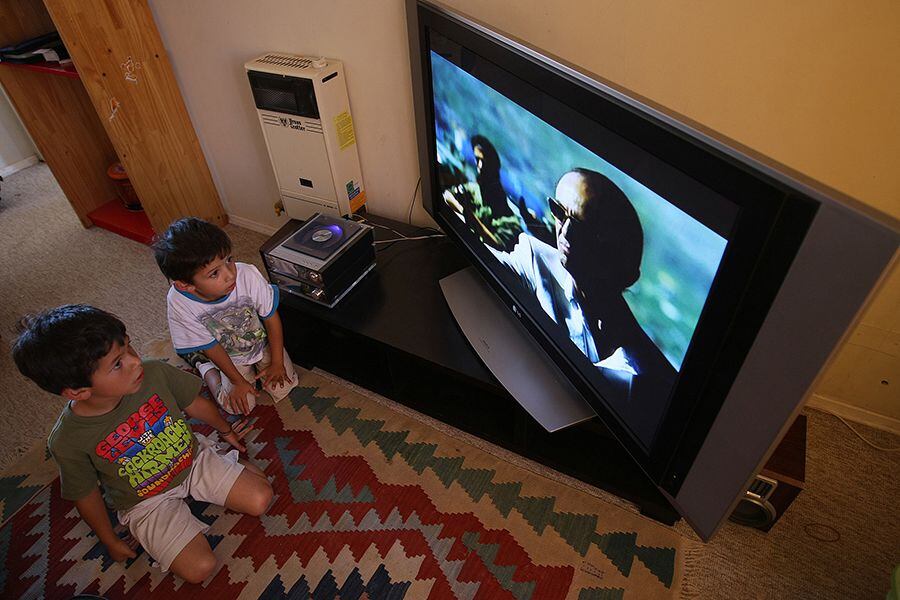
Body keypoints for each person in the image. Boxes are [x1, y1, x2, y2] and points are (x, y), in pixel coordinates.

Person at [11, 304, 273, 583]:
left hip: (191, 460)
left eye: (128, 347)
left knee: (261, 499)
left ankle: (223, 462)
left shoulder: (153, 372)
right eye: (117, 364)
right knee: (199, 569)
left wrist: (225, 430)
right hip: (145, 502)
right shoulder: (67, 441)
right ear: (77, 392)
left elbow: (194, 404)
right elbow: (85, 494)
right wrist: (109, 539)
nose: (135, 361)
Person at [489, 168, 676, 399]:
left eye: (584, 228)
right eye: (559, 212)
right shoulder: (535, 261)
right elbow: (489, 263)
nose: (566, 233)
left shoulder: (647, 376)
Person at [153, 217, 299, 415]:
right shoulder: (179, 302)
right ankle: (204, 366)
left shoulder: (247, 275)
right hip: (227, 355)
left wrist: (277, 362)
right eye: (214, 273)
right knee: (237, 407)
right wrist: (237, 381)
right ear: (185, 285)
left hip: (260, 343)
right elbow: (211, 346)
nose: (230, 275)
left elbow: (271, 318)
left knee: (283, 387)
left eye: (229, 260)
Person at [442, 135, 522, 250]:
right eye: (477, 159)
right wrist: (463, 211)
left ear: (493, 167)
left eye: (484, 161)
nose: (480, 166)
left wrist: (468, 214)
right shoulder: (473, 189)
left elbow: (498, 245)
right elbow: (447, 195)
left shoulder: (510, 219)